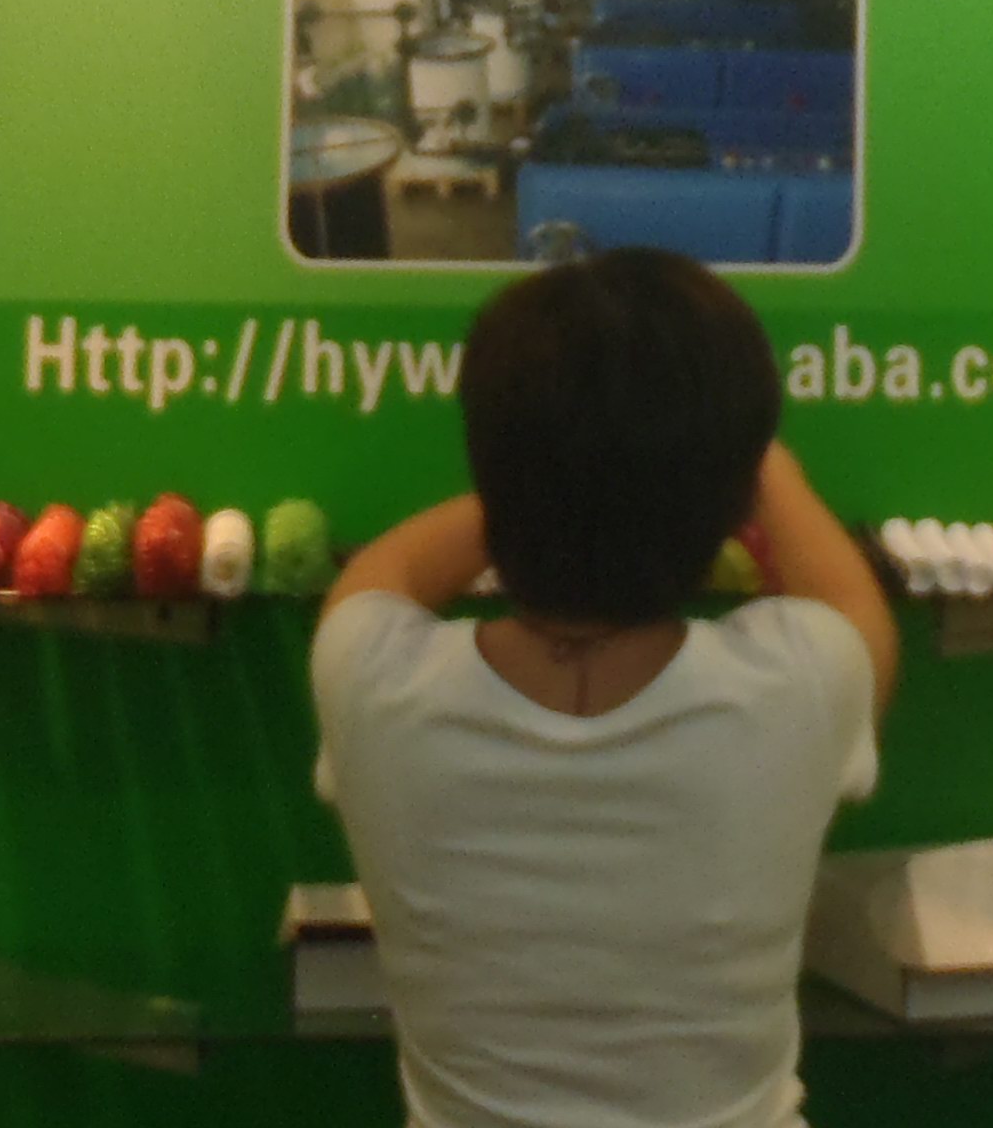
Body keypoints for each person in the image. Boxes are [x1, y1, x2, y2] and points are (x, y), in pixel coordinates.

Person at [312, 245, 900, 1128]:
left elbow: (384, 572)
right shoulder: (802, 688)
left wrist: (544, 479)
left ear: (491, 468)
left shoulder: (370, 678)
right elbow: (853, 604)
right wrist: (752, 468)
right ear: (730, 495)